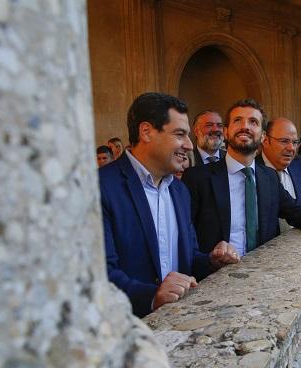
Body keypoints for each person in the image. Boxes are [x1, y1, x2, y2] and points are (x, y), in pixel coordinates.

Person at [99, 92, 239, 317]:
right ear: (146, 132)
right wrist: (152, 297)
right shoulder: (101, 187)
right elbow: (101, 274)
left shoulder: (180, 191)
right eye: (180, 134)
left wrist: (212, 261)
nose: (189, 145)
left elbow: (188, 258)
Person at [182, 99, 301, 257]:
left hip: (263, 275)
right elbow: (184, 235)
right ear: (226, 132)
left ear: (263, 136)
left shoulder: (269, 177)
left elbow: (296, 213)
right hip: (214, 280)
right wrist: (209, 260)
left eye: (253, 122)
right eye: (237, 120)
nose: (245, 126)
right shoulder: (197, 178)